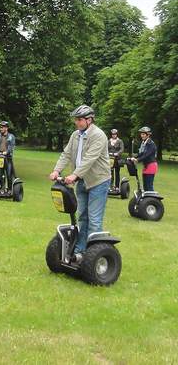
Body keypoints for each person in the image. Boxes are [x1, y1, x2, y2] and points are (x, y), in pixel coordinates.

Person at [49, 104, 111, 258]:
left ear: (89, 120)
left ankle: (94, 255)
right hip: (82, 181)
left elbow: (89, 159)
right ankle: (80, 250)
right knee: (82, 216)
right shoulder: (75, 135)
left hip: (98, 181)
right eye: (75, 119)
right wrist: (57, 170)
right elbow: (67, 154)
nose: (76, 122)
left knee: (94, 219)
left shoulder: (98, 135)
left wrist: (74, 175)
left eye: (79, 119)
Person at [131, 126, 158, 191]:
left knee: (149, 186)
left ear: (148, 135)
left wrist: (137, 160)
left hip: (151, 166)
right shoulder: (144, 143)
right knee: (145, 186)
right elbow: (141, 153)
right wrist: (134, 157)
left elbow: (147, 155)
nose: (142, 135)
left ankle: (152, 201)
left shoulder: (150, 144)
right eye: (141, 134)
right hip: (146, 166)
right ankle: (147, 201)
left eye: (143, 134)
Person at [0, 121, 15, 190]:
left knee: (9, 174)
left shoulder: (11, 137)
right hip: (0, 157)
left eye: (2, 127)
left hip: (7, 158)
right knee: (0, 174)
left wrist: (7, 152)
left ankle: (10, 189)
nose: (1, 129)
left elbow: (11, 146)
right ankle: (2, 188)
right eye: (0, 127)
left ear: (6, 128)